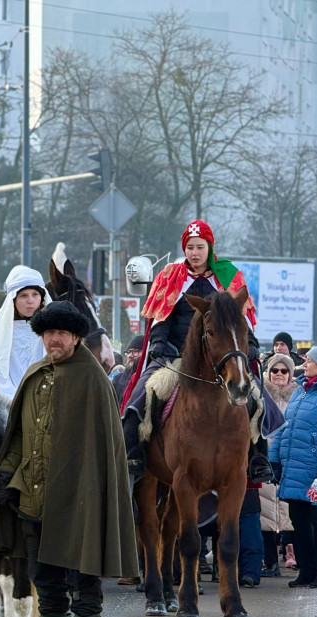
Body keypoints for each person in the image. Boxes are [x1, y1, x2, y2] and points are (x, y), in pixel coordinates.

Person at [0, 301, 138, 617]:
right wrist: (4, 473)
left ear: (76, 337)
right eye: (48, 333)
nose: (54, 339)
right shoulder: (35, 375)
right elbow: (19, 435)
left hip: (81, 501)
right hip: (35, 499)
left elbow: (102, 446)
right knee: (44, 575)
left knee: (83, 577)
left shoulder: (93, 379)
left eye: (61, 334)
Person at [123, 220, 271, 484]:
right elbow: (161, 317)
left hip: (221, 357)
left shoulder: (229, 276)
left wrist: (252, 344)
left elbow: (240, 319)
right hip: (177, 356)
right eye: (189, 247)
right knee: (143, 393)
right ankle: (134, 451)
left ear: (209, 247)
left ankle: (259, 456)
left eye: (199, 247)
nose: (194, 253)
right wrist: (158, 342)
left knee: (255, 395)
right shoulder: (171, 275)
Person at [269, 345, 317, 589]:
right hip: (294, 469)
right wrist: (274, 459)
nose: (306, 364)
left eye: (311, 360)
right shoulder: (300, 392)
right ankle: (306, 569)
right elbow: (284, 428)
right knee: (299, 520)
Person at [0, 265, 50, 400]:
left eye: (35, 294)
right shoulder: (1, 327)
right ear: (13, 299)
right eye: (23, 295)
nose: (30, 300)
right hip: (8, 399)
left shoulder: (51, 327)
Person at [259, 353, 297, 576]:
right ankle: (269, 559)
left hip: (288, 461)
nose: (279, 375)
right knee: (265, 511)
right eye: (275, 371)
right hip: (266, 459)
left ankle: (290, 551)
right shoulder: (262, 396)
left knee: (287, 510)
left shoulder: (297, 396)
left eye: (284, 371)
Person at [111, 335, 143, 405]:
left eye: (135, 351)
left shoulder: (149, 379)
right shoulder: (117, 379)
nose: (130, 355)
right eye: (128, 352)